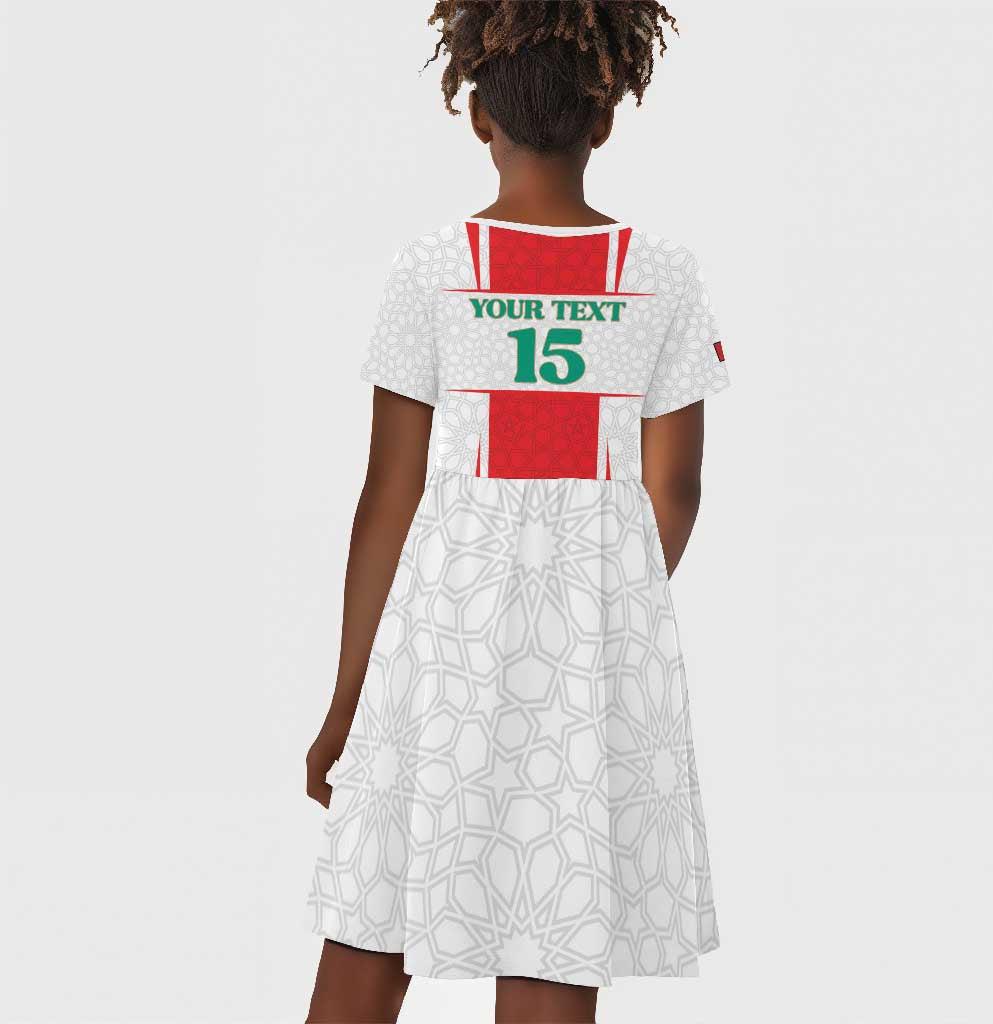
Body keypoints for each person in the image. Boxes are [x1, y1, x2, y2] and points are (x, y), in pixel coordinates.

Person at [304, 3, 730, 1021]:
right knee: (554, 918)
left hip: (437, 652)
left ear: (478, 116)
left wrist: (348, 698)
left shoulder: (432, 267)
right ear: (605, 117)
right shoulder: (662, 273)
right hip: (586, 663)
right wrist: (594, 612)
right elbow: (674, 488)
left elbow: (390, 490)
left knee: (377, 914)